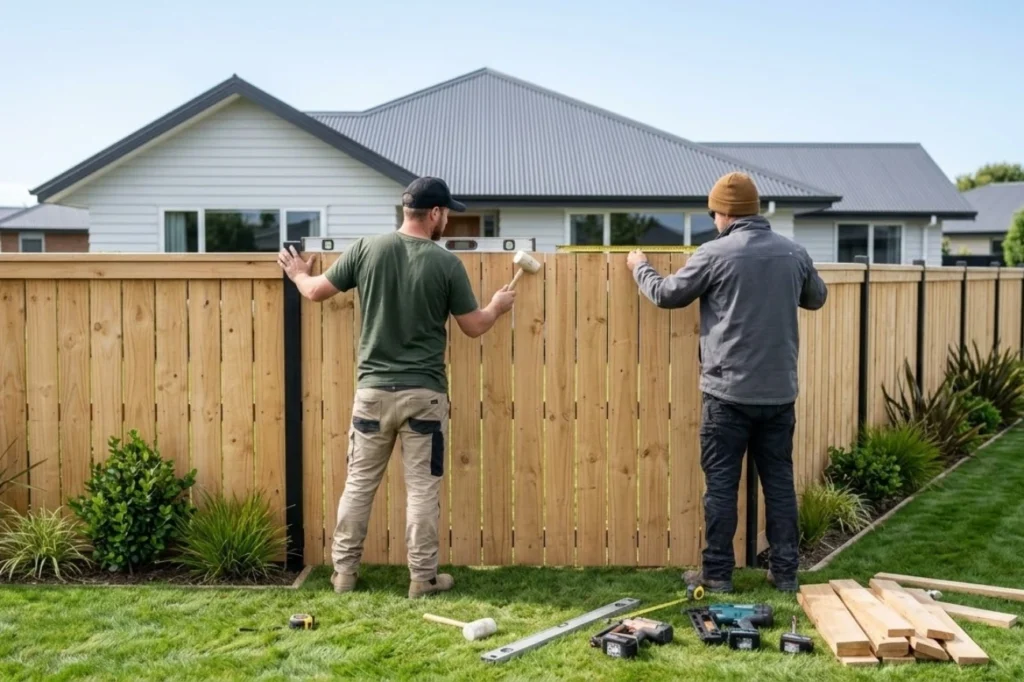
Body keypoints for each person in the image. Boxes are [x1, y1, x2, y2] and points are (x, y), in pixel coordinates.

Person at [277, 176, 516, 599]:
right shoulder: (445, 264)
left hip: (372, 393)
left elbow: (314, 292)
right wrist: (496, 306)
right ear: (436, 213)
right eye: (448, 214)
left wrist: (297, 273)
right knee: (422, 491)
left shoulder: (367, 249)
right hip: (424, 396)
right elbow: (474, 327)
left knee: (358, 484)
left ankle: (343, 575)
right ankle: (422, 580)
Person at [626, 171, 828, 594]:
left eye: (714, 213)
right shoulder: (793, 253)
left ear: (725, 213)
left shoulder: (714, 254)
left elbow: (666, 294)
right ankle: (785, 573)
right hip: (778, 394)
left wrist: (639, 266)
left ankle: (717, 574)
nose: (713, 220)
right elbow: (816, 297)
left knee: (721, 485)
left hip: (726, 394)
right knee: (779, 482)